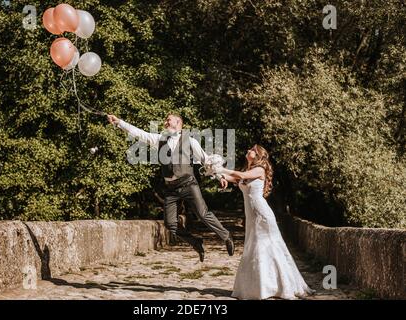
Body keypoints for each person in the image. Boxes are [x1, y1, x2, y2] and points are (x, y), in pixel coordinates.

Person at [107, 114, 234, 262]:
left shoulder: (190, 141)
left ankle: (226, 236)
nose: (165, 122)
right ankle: (195, 242)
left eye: (169, 120)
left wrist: (220, 176)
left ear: (178, 122)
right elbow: (140, 133)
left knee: (202, 214)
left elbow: (205, 160)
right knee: (170, 224)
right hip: (171, 189)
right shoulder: (159, 139)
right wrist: (119, 122)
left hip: (188, 184)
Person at [216, 144, 314, 299]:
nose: (248, 150)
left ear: (258, 155)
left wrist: (221, 169)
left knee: (268, 246)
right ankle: (258, 286)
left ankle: (278, 286)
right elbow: (235, 178)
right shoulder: (248, 171)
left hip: (262, 214)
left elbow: (239, 175)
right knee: (253, 246)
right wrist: (219, 175)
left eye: (252, 150)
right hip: (251, 215)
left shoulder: (259, 169)